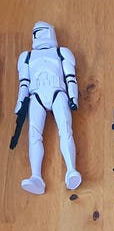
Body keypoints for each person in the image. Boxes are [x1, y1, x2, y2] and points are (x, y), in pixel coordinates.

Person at [14, 21, 81, 194]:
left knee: (65, 130)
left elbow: (70, 77)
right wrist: (20, 103)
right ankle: (36, 176)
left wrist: (73, 97)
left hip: (57, 92)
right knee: (34, 135)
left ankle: (71, 170)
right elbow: (24, 83)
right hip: (36, 95)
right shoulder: (27, 57)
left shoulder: (61, 52)